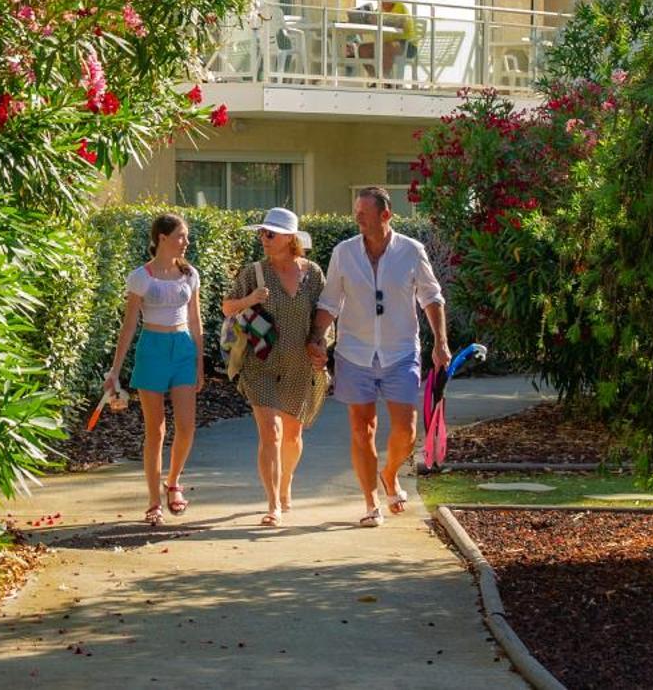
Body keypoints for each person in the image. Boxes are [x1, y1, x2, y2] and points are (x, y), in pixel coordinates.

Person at [309, 187, 448, 527]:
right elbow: (330, 302)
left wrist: (440, 342)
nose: (358, 218)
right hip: (354, 352)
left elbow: (431, 297)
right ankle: (371, 502)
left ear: (385, 215)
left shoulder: (411, 251)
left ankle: (389, 473)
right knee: (362, 429)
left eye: (364, 213)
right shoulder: (344, 252)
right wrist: (316, 338)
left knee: (406, 430)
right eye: (356, 212)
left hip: (400, 351)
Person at [221, 206, 325, 527]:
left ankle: (285, 483)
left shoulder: (313, 274)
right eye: (261, 233)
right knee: (271, 433)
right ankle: (272, 504)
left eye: (270, 233)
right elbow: (227, 307)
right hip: (260, 363)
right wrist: (250, 299)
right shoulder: (253, 273)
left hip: (299, 364)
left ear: (290, 238)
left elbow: (323, 317)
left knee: (292, 436)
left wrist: (321, 346)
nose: (263, 238)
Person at [104, 213, 204, 525]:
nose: (185, 242)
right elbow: (129, 323)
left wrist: (200, 361)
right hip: (152, 350)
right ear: (162, 237)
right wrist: (115, 370)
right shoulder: (141, 277)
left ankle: (173, 482)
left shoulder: (190, 274)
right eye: (180, 236)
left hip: (183, 349)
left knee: (187, 427)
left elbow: (196, 320)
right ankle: (152, 501)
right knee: (156, 430)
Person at [352, 0, 419, 79]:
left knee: (387, 47)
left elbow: (401, 23)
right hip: (387, 44)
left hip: (408, 46)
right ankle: (376, 79)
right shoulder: (379, 9)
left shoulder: (401, 7)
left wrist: (381, 21)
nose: (380, 1)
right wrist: (363, 19)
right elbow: (373, 20)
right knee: (363, 49)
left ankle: (386, 81)